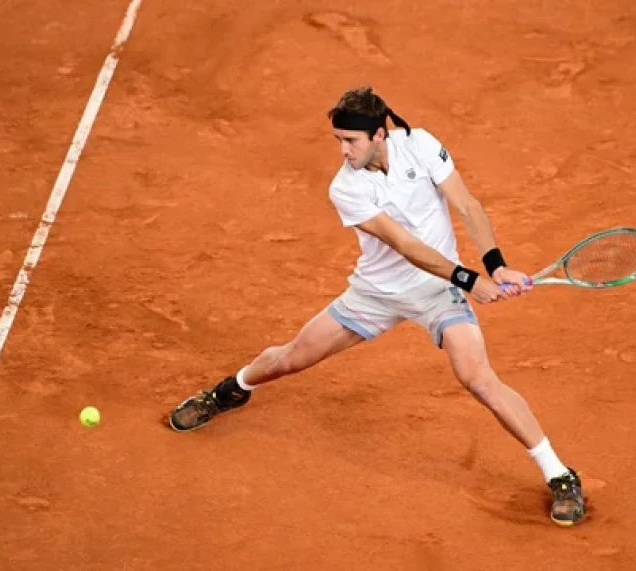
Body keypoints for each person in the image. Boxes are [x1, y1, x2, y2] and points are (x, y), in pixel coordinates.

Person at [166, 86, 585, 527]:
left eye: (351, 141)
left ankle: (559, 473)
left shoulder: (421, 145)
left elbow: (466, 204)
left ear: (379, 135)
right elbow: (404, 244)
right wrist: (468, 278)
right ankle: (230, 389)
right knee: (292, 358)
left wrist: (495, 266)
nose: (343, 151)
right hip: (376, 294)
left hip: (437, 293)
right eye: (339, 141)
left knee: (479, 380)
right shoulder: (345, 187)